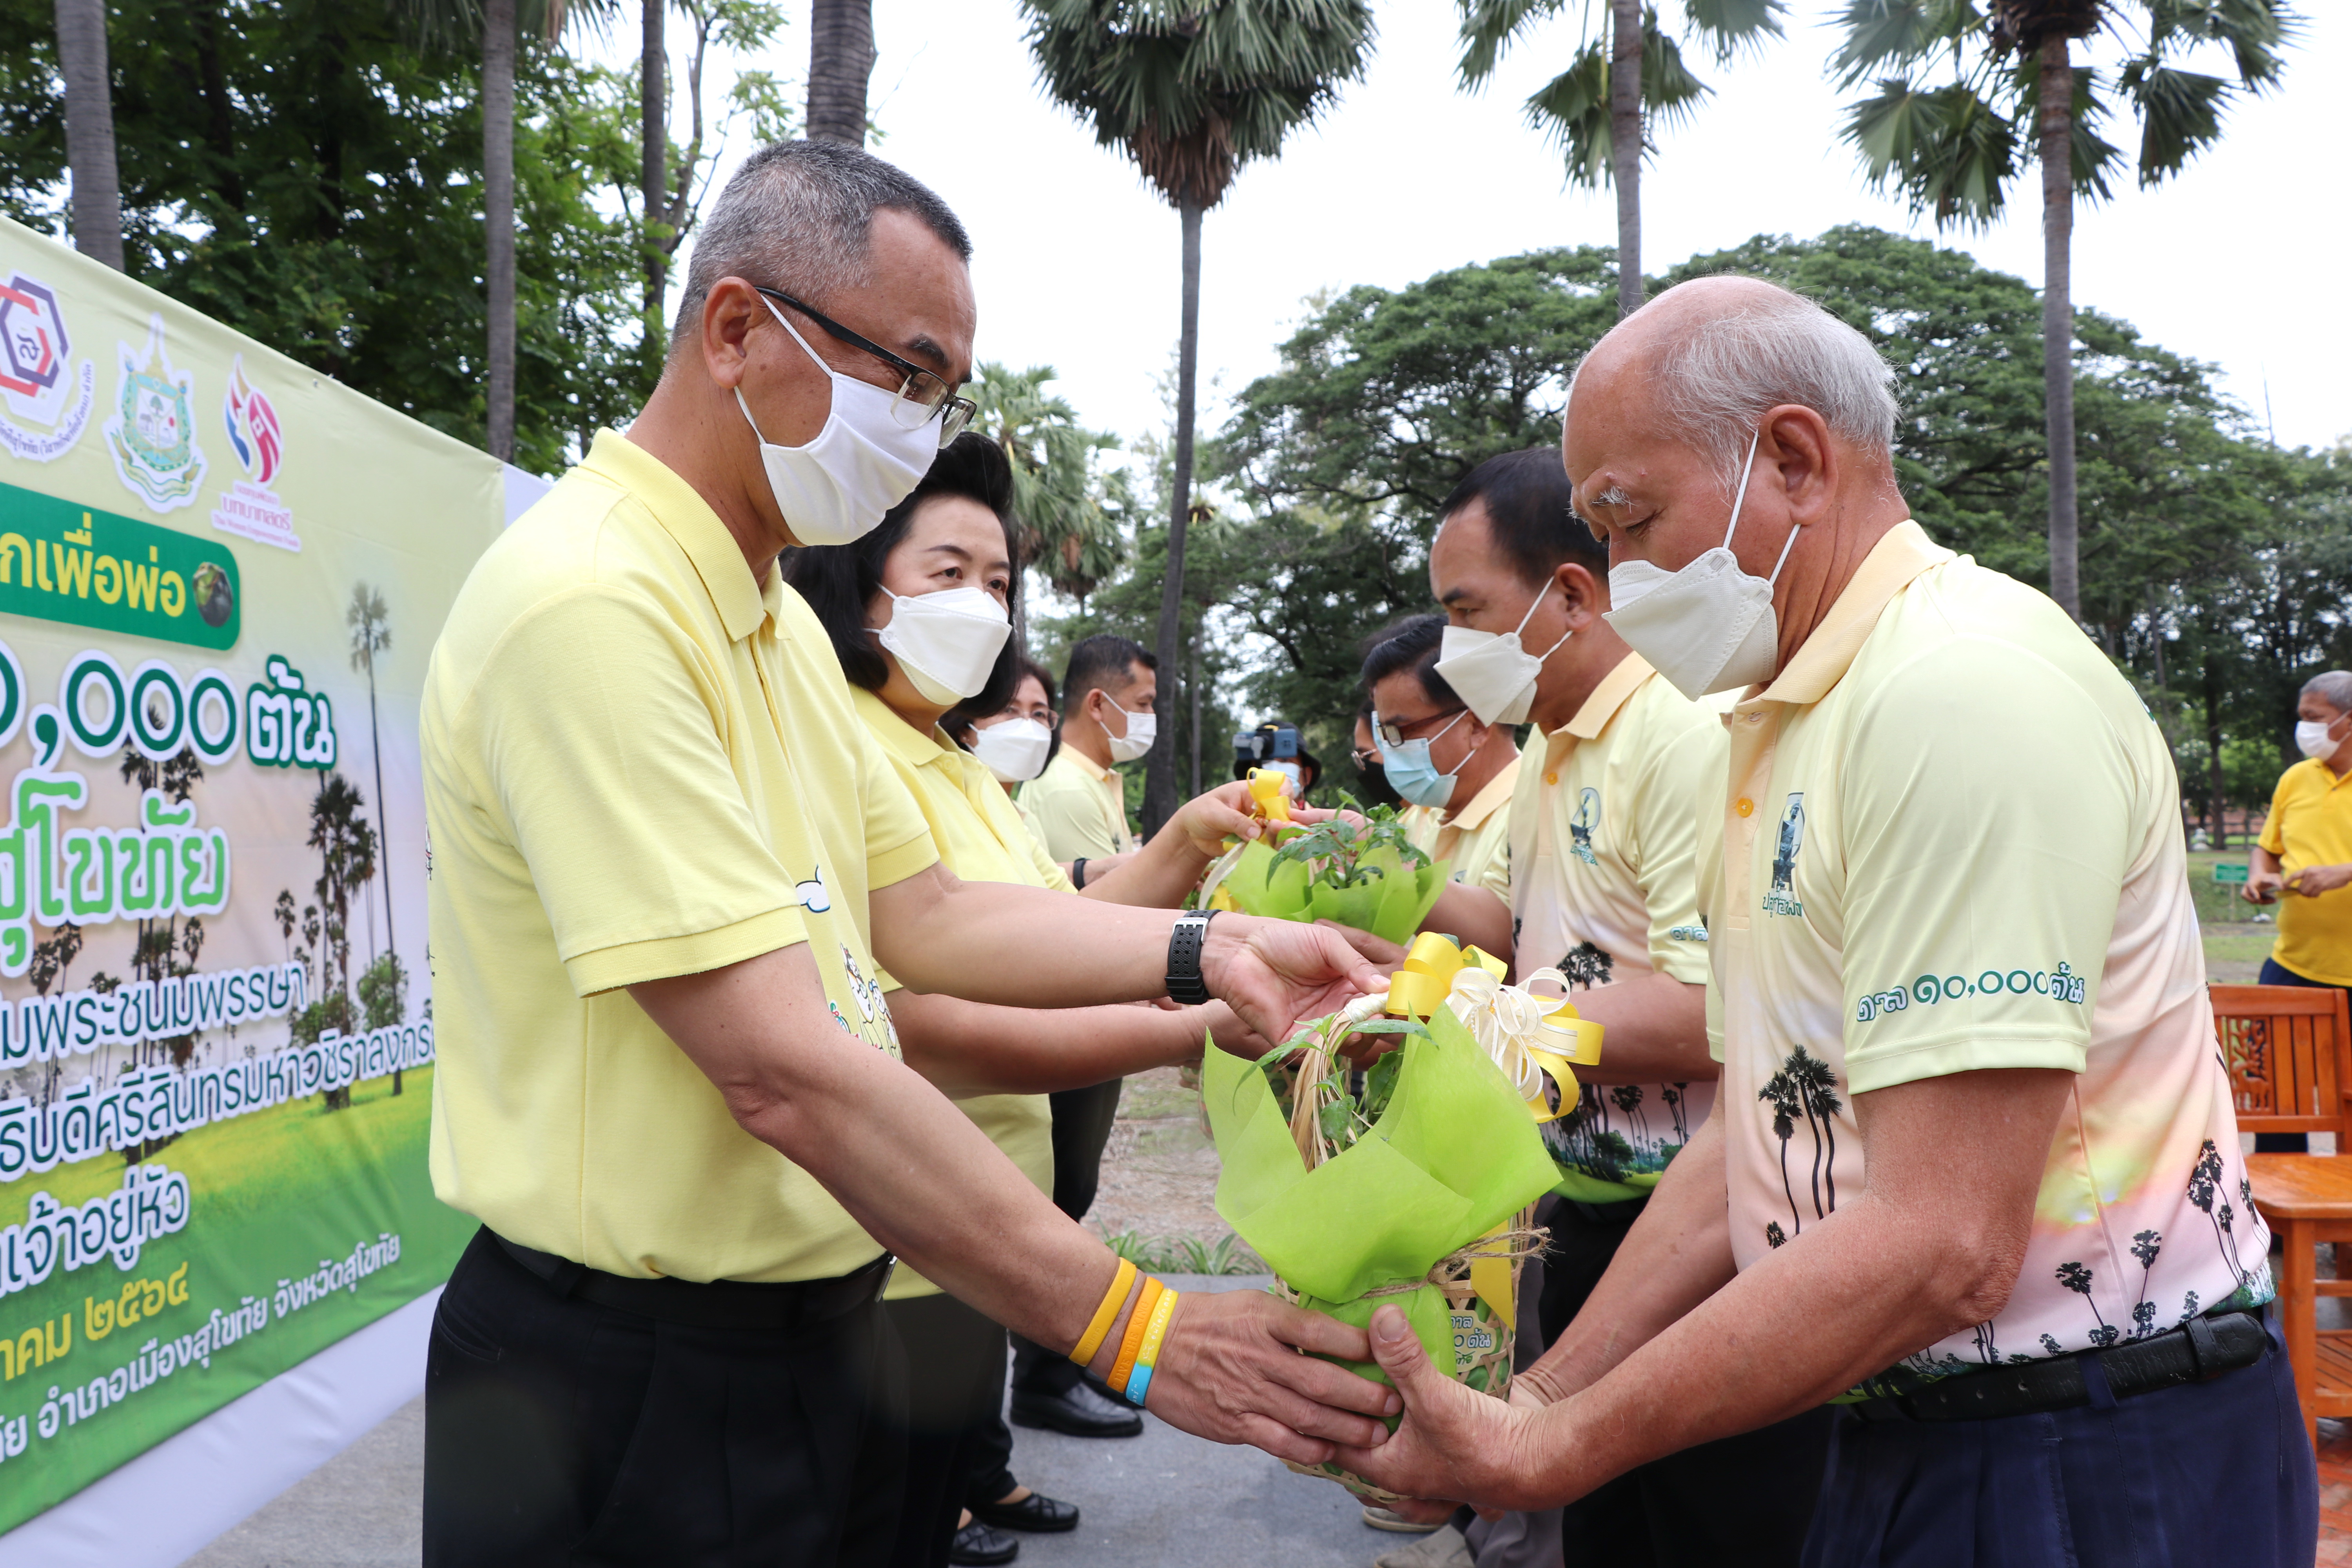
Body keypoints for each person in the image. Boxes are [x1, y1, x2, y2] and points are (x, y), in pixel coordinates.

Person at [418, 138, 1399, 1568]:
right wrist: (1135, 1322)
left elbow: (930, 910)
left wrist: (1212, 947)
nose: (924, 434)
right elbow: (778, 1064)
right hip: (626, 1370)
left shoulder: (770, 625)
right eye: (908, 375)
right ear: (739, 331)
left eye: (946, 394)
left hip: (801, 1330)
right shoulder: (595, 605)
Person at [1336, 276, 2312, 1568]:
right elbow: (1758, 1131)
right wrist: (1539, 1400)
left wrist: (1557, 1448)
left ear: (1793, 459)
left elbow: (1943, 1243)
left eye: (1630, 520)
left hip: (2079, 1447)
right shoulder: (1789, 719)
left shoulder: (1956, 695)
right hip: (1912, 1422)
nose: (1617, 582)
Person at [783, 433, 1292, 1566]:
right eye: (946, 575)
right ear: (854, 585)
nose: (983, 605)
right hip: (900, 1234)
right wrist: (1207, 1005)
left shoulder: (955, 761)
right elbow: (933, 1027)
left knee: (921, 1509)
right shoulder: (839, 748)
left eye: (1000, 582)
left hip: (982, 1225)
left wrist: (1185, 857)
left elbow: (1057, 924)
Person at [1416, 444, 1827, 1568]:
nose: (1455, 648)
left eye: (1468, 611)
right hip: (1588, 1201)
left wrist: (1487, 1029)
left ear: (1571, 595)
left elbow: (1716, 1014)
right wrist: (1369, 891)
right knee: (1607, 1524)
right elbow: (1505, 929)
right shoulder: (1554, 741)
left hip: (1702, 1228)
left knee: (1713, 1521)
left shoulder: (1682, 739)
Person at [2246, 671, 2352, 1150]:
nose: (2304, 728)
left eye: (2315, 719)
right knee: (2276, 1100)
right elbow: (2267, 848)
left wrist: (2344, 872)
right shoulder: (2296, 778)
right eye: (2302, 718)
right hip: (2293, 966)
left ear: (2348, 722)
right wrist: (2260, 876)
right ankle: (2282, 1223)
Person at [1361, 613, 1517, 894]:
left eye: (1399, 731)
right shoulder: (1420, 818)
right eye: (1384, 734)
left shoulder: (1531, 818)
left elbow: (1504, 935)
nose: (1389, 750)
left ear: (1477, 727)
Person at [1022, 634, 1152, 873]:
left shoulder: (1094, 779)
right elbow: (1108, 903)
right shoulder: (1066, 788)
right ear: (1097, 705)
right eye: (1143, 703)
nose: (1151, 714)